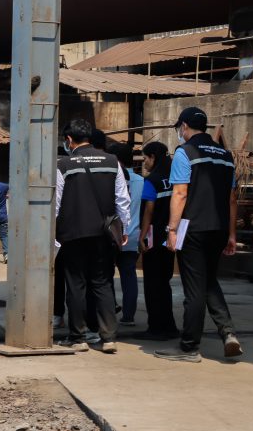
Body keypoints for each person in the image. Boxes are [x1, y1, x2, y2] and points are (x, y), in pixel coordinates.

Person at [157, 107, 243, 362]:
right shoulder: (225, 156)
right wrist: (231, 233)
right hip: (217, 229)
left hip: (192, 229)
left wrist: (172, 230)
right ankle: (228, 332)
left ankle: (189, 347)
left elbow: (180, 193)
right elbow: (232, 198)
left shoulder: (185, 152)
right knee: (207, 282)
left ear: (184, 126)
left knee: (194, 288)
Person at [54, 119, 131, 353]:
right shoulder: (112, 162)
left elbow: (55, 204)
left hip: (73, 234)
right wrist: (123, 229)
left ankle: (78, 337)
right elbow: (122, 200)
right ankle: (108, 337)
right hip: (104, 233)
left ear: (69, 140)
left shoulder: (63, 165)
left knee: (75, 284)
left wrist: (53, 237)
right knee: (103, 283)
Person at [137, 141, 179, 340]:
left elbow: (148, 210)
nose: (144, 162)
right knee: (165, 282)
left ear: (153, 157)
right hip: (171, 237)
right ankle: (169, 326)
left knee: (153, 284)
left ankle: (155, 328)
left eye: (145, 158)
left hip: (153, 238)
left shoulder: (151, 180)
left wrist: (142, 236)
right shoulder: (175, 179)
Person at [111, 143, 144, 326]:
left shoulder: (111, 178)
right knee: (129, 276)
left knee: (105, 276)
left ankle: (110, 308)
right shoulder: (141, 181)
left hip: (112, 235)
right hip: (133, 235)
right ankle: (128, 316)